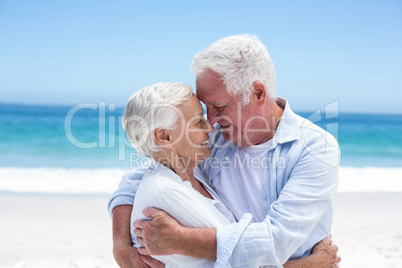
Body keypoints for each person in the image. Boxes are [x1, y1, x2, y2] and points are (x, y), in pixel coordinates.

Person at [109, 35, 340, 267]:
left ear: (257, 93)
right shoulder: (216, 137)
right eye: (205, 109)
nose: (211, 121)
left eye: (219, 106)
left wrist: (179, 240)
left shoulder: (315, 147)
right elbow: (143, 176)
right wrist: (121, 247)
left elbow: (273, 243)